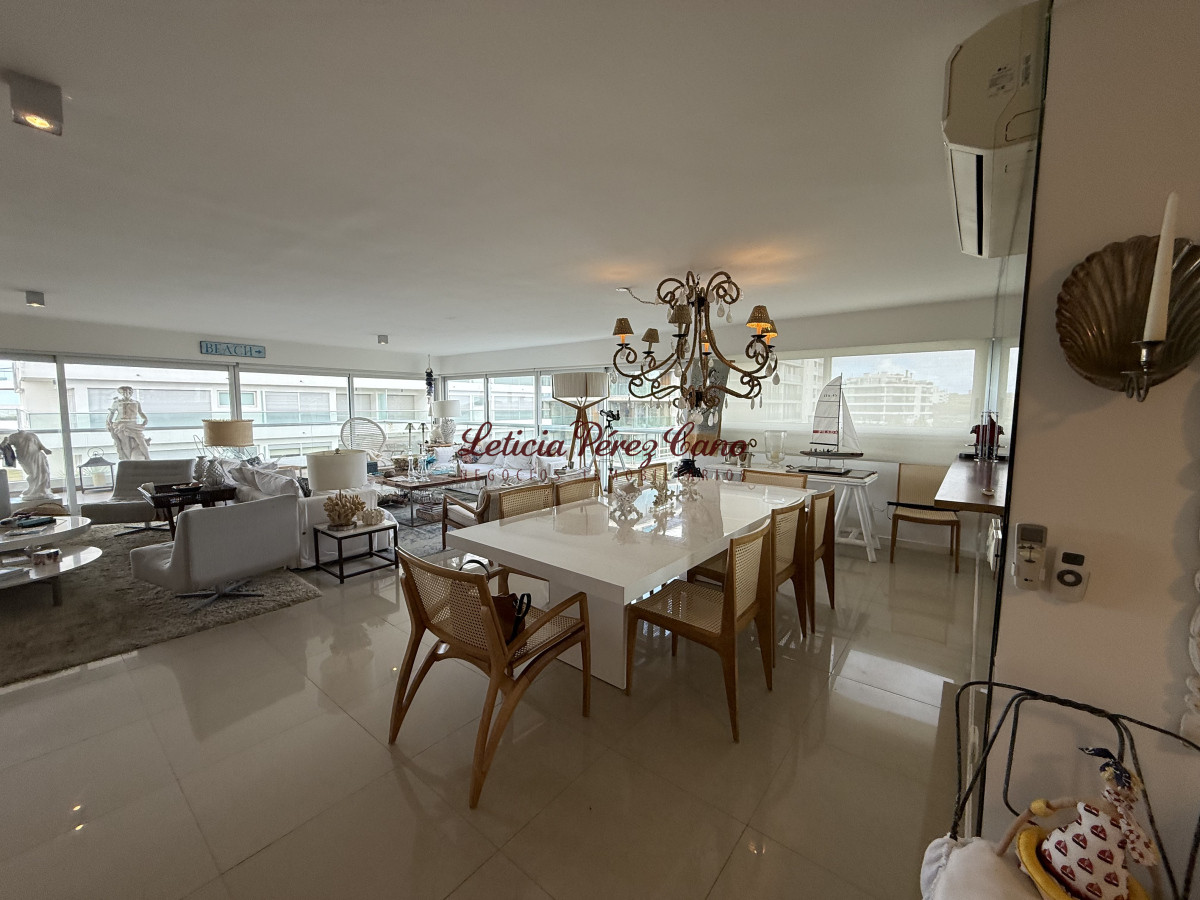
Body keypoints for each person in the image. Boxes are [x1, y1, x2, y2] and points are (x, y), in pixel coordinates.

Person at [1, 430, 53, 501]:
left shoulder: (32, 435)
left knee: (43, 472)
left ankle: (41, 490)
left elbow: (40, 445)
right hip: (24, 457)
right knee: (32, 473)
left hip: (36, 455)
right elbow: (5, 445)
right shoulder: (14, 436)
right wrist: (4, 442)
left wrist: (45, 450)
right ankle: (32, 488)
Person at [106, 386, 151, 460]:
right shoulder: (117, 402)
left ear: (131, 393)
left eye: (127, 392)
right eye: (123, 392)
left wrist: (145, 418)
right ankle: (128, 460)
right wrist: (109, 421)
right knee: (125, 443)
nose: (126, 393)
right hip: (121, 424)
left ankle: (148, 458)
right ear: (121, 393)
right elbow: (112, 413)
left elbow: (140, 412)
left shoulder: (136, 402)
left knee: (141, 441)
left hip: (133, 424)